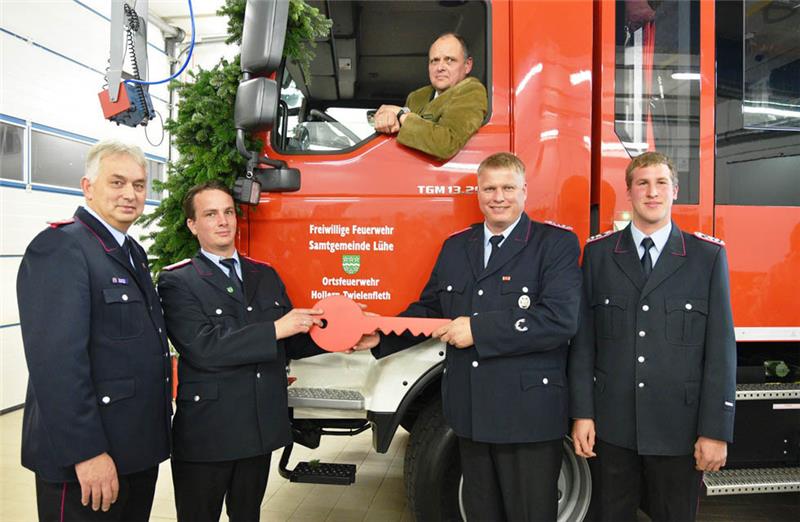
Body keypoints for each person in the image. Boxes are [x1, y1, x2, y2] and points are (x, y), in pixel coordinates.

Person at [357, 152, 581, 521]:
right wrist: (380, 334)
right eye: (489, 188)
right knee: (480, 514)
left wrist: (477, 330)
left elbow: (559, 320)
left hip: (526, 416)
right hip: (471, 411)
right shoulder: (456, 247)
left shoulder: (553, 245)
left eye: (508, 187)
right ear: (478, 193)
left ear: (524, 191)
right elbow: (431, 310)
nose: (498, 197)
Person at [158, 181, 362, 522]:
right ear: (193, 225)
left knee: (248, 515)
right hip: (209, 433)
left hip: (257, 427)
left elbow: (290, 341)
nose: (222, 221)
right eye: (210, 214)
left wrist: (342, 334)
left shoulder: (263, 274)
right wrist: (275, 328)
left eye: (227, 212)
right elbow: (203, 347)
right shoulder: (178, 281)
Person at [569, 151, 736, 522]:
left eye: (661, 183)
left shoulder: (706, 257)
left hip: (679, 428)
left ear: (675, 191)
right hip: (612, 429)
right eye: (642, 183)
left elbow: (720, 351)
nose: (652, 192)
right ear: (629, 192)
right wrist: (582, 414)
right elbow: (583, 345)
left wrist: (715, 431)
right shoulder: (598, 255)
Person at [17, 140, 172, 521]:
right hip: (88, 458)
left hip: (133, 452)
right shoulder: (61, 248)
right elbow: (57, 365)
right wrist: (86, 454)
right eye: (117, 183)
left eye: (138, 185)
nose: (130, 195)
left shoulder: (130, 250)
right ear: (88, 187)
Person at [373, 32, 488, 160]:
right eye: (434, 61)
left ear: (467, 65)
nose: (440, 67)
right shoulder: (417, 97)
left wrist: (401, 115)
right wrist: (388, 119)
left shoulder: (472, 91)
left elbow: (447, 144)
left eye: (449, 60)